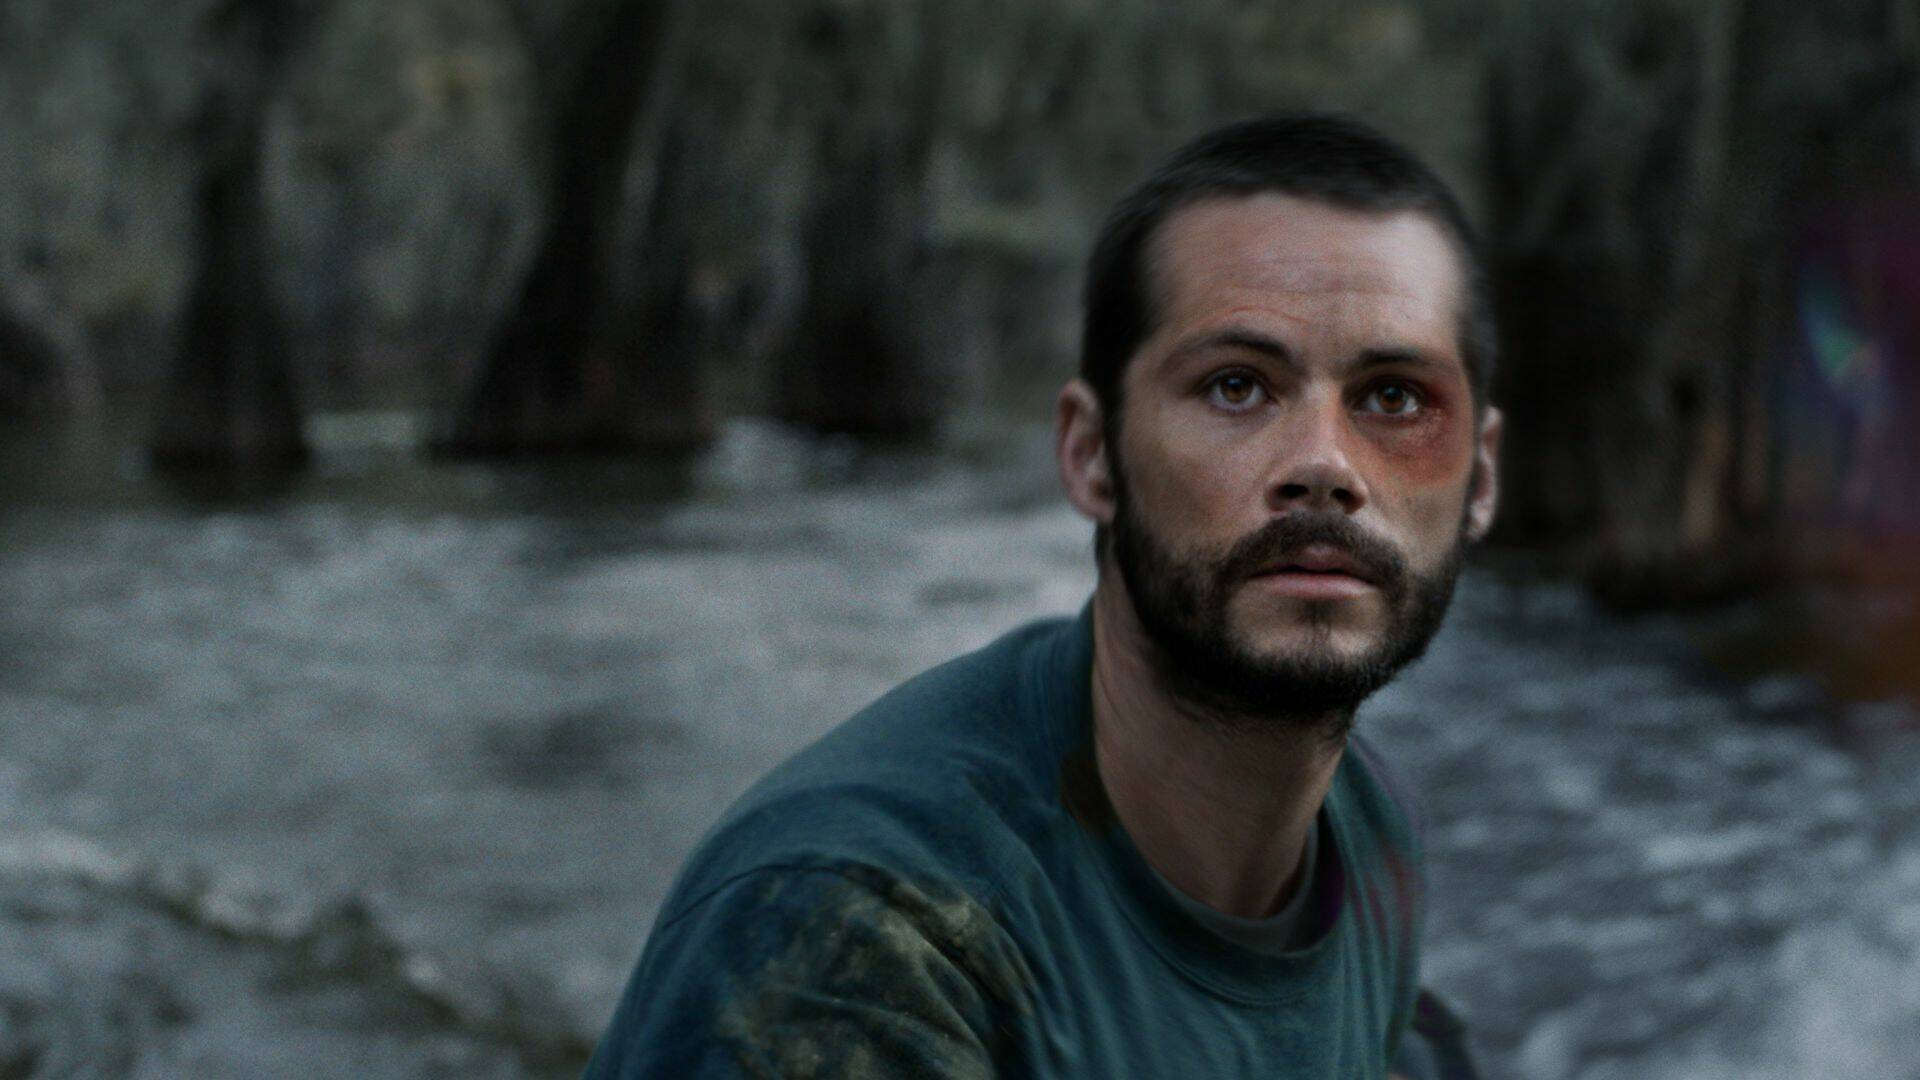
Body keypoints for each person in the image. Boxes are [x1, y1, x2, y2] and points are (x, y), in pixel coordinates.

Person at [587, 112, 1501, 1079]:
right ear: (1089, 453)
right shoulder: (861, 940)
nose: (1324, 465)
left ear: (1479, 481)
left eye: (1394, 398)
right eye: (1237, 387)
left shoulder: (1367, 835)